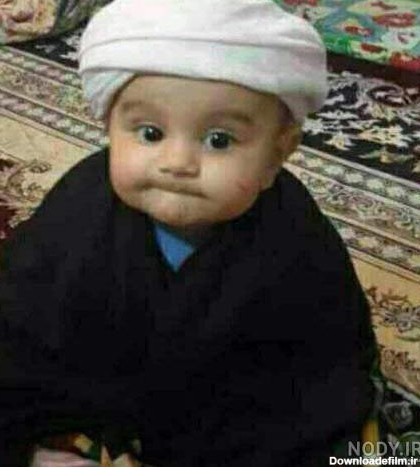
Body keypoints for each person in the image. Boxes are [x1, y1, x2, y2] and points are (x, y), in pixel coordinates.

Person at [0, 0, 377, 466]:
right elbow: (21, 324)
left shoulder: (297, 242)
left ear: (277, 155)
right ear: (109, 126)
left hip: (231, 418)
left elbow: (322, 372)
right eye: (150, 133)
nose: (177, 162)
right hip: (93, 394)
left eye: (219, 140)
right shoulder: (77, 207)